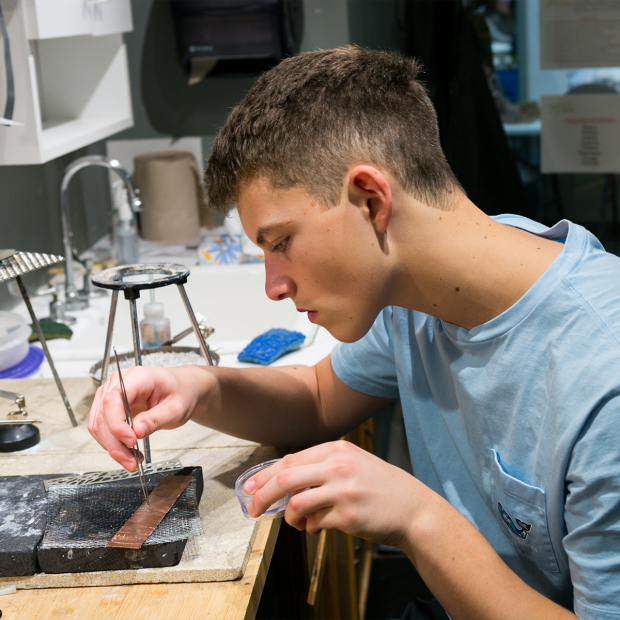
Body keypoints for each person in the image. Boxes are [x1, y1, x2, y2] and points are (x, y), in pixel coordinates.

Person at [89, 46, 620, 619]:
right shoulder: (416, 292)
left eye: (281, 243)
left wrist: (418, 520)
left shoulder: (602, 373)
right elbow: (319, 398)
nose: (273, 286)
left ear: (371, 200)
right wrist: (198, 387)